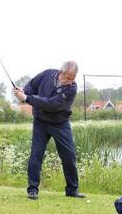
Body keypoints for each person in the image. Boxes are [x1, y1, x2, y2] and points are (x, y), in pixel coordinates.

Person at [13, 61, 85, 200]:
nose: (70, 81)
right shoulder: (47, 74)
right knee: (36, 155)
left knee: (69, 156)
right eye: (68, 77)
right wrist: (23, 93)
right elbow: (32, 85)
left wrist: (27, 98)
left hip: (60, 124)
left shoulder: (72, 89)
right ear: (61, 72)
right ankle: (32, 190)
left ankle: (72, 190)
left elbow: (51, 104)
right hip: (40, 122)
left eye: (73, 78)